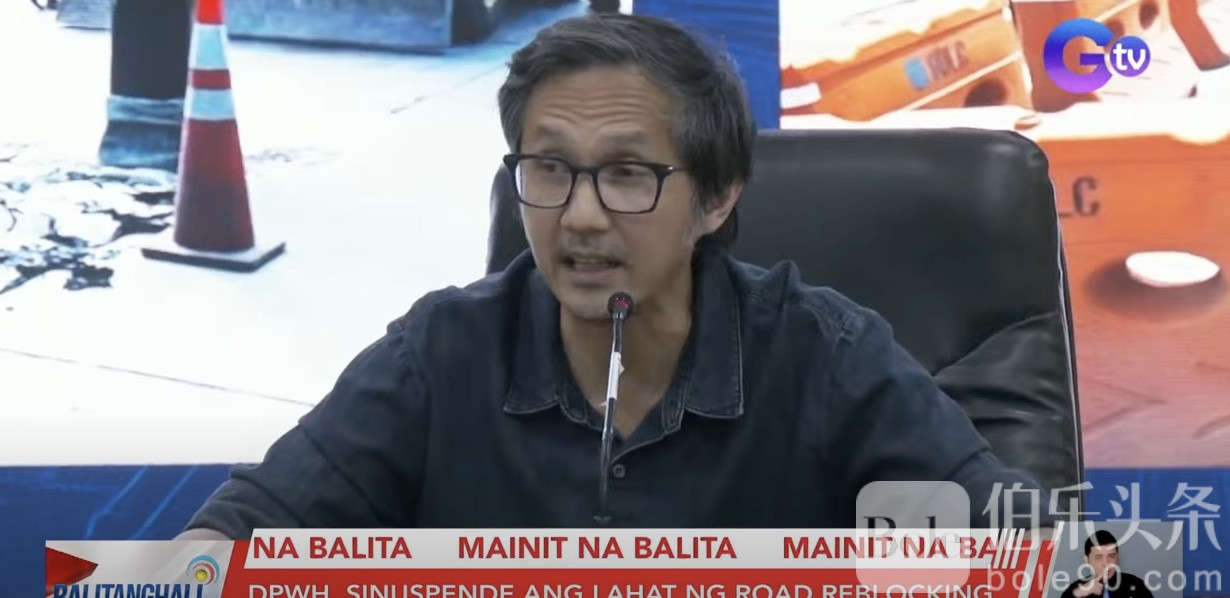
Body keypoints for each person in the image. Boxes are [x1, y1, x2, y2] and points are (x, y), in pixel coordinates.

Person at [178, 13, 1054, 538]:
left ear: (716, 196)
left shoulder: (827, 355)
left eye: (629, 174)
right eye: (550, 169)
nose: (582, 216)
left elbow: (1028, 552)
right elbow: (241, 531)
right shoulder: (442, 351)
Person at [1060, 530, 1154, 598]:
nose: (1106, 563)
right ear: (1087, 560)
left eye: (1111, 556)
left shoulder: (1136, 585)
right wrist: (1078, 594)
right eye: (1099, 557)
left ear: (1117, 558)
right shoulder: (1076, 591)